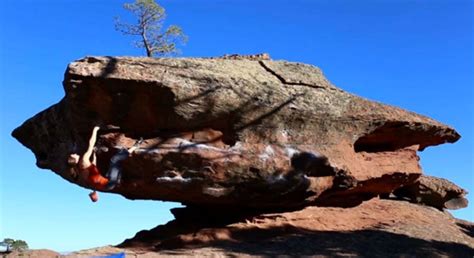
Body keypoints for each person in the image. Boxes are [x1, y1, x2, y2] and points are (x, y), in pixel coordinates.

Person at [68, 126, 141, 202]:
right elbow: (91, 144)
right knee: (114, 160)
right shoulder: (84, 160)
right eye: (73, 155)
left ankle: (119, 176)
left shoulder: (79, 169)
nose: (74, 153)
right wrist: (95, 130)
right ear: (74, 160)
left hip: (106, 183)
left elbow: (93, 169)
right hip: (109, 183)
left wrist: (94, 155)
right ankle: (135, 146)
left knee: (115, 164)